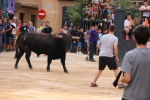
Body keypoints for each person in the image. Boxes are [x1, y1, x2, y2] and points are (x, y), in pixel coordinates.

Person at [121, 25, 150, 100]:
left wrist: (121, 79)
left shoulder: (129, 55)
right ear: (148, 38)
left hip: (131, 96)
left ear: (134, 38)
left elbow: (127, 79)